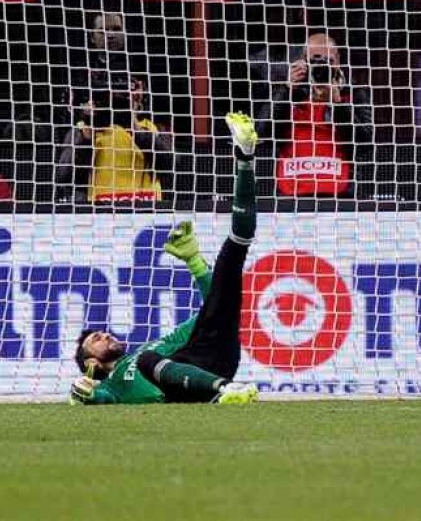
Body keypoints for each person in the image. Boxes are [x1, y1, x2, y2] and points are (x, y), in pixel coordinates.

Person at [69, 113, 259, 405]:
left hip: (210, 355)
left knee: (232, 253)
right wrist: (84, 394)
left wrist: (195, 262)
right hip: (198, 381)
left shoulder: (155, 346)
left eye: (101, 333)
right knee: (147, 359)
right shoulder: (116, 384)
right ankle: (224, 390)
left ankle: (245, 159)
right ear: (91, 364)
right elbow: (100, 397)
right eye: (95, 340)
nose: (105, 335)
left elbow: (211, 309)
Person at [253, 32, 373, 198]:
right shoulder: (287, 91)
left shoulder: (354, 93)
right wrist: (286, 90)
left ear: (338, 62)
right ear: (303, 61)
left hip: (340, 194)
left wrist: (338, 104)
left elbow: (365, 144)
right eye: (315, 60)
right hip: (290, 193)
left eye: (328, 61)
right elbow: (263, 134)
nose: (321, 67)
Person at [55, 75, 172, 202]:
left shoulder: (151, 127)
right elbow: (63, 175)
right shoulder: (85, 128)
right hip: (102, 213)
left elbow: (171, 165)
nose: (122, 97)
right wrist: (87, 135)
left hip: (144, 212)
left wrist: (134, 129)